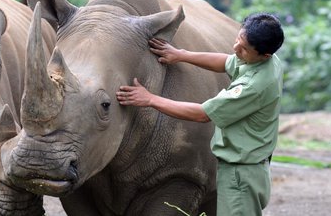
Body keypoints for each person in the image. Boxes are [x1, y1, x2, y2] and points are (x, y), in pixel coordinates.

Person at [116, 13, 284, 216]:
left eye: (244, 49)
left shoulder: (253, 86)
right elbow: (227, 62)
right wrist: (181, 55)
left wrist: (150, 99)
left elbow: (202, 114)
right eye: (237, 40)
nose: (235, 49)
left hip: (241, 173)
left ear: (264, 54)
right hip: (246, 166)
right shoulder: (266, 60)